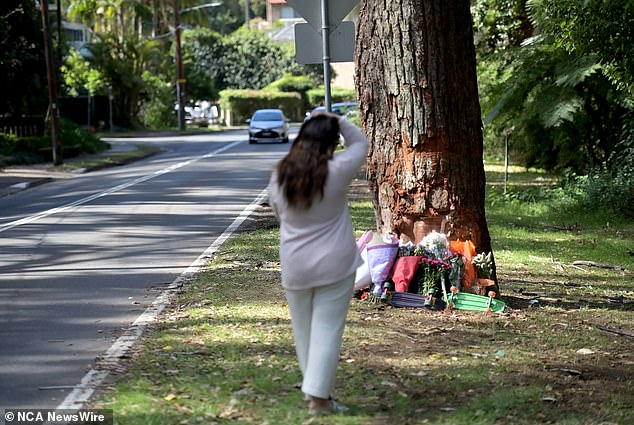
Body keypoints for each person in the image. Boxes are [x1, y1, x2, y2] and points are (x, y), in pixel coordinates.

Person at [268, 113, 368, 416]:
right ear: (330, 142)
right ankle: (318, 400)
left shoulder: (280, 175)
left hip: (295, 263)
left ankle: (316, 394)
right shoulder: (337, 171)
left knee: (304, 332)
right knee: (327, 329)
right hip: (334, 264)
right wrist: (337, 120)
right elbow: (360, 143)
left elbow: (277, 212)